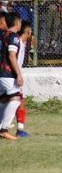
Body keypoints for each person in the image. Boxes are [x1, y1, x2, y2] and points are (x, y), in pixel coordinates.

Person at [0, 11, 22, 140]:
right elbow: (11, 55)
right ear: (17, 23)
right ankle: (4, 129)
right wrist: (18, 74)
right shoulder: (13, 36)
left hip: (1, 72)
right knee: (15, 98)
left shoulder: (2, 35)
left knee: (3, 99)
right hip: (7, 73)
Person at [12, 18, 31, 138]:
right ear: (28, 31)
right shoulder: (16, 42)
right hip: (11, 77)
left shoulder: (22, 44)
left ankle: (20, 129)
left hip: (14, 76)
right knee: (15, 102)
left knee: (20, 101)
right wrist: (17, 75)